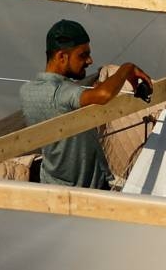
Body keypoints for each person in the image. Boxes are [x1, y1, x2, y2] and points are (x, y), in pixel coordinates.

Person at [19, 19, 151, 189]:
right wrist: (127, 68)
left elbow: (60, 111)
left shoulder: (26, 92)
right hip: (86, 191)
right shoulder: (61, 93)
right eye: (82, 55)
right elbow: (103, 95)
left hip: (51, 184)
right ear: (61, 57)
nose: (89, 61)